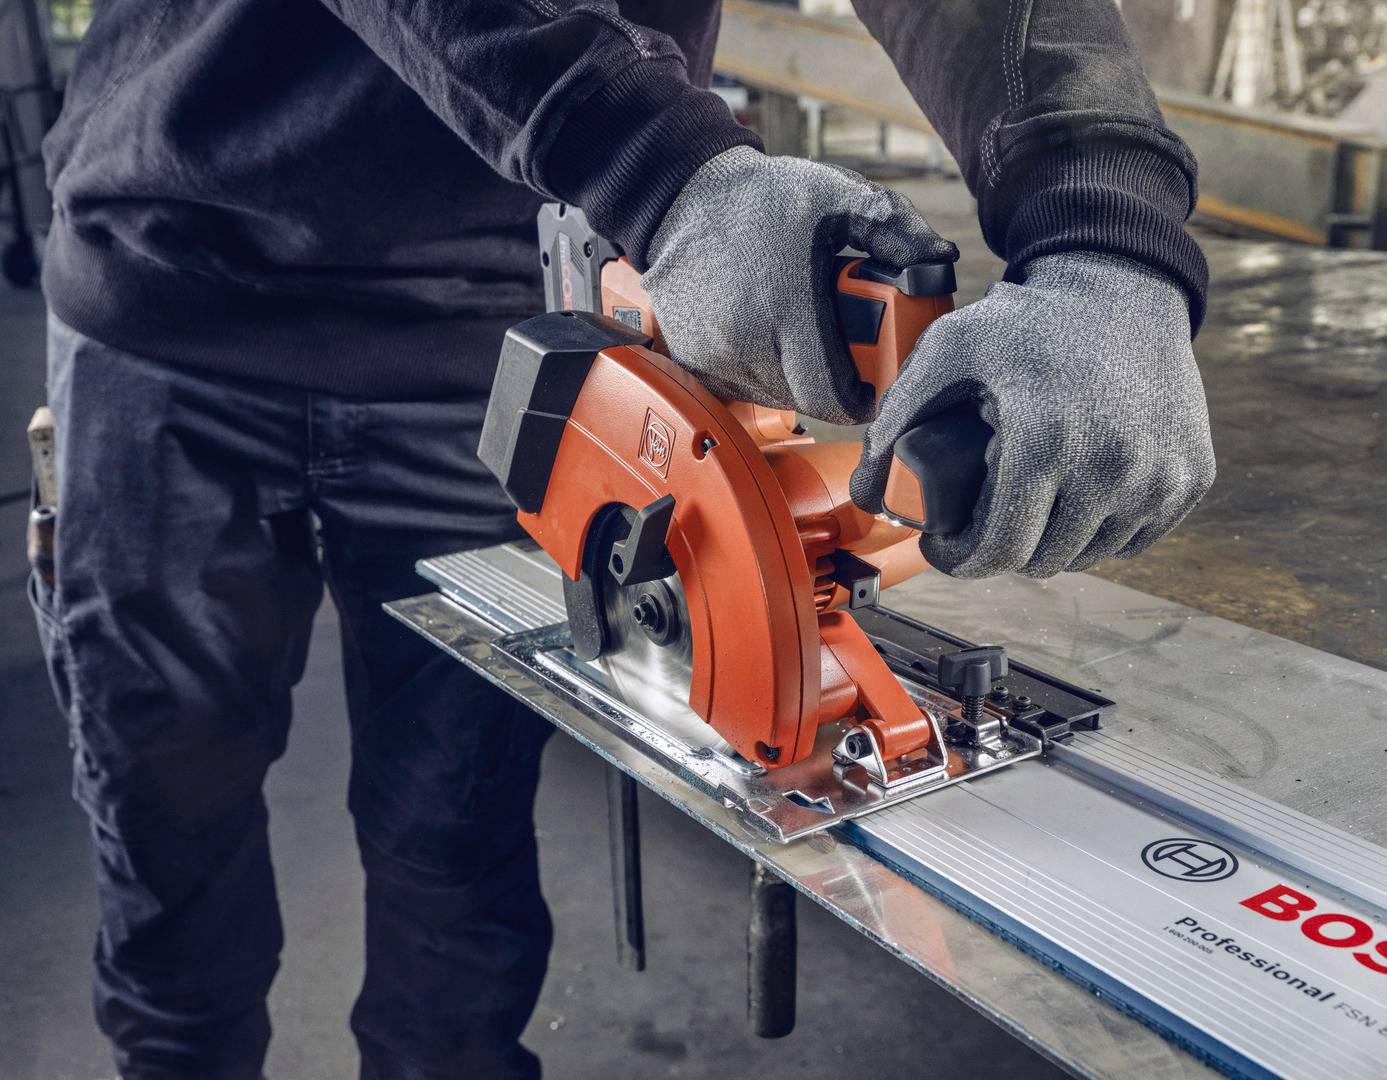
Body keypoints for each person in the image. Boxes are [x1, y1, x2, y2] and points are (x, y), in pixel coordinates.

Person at [32, 2, 1216, 1077]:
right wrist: (670, 173)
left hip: (492, 339)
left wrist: (1100, 229)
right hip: (170, 292)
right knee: (165, 848)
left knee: (453, 867)